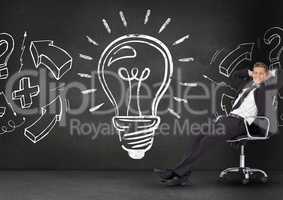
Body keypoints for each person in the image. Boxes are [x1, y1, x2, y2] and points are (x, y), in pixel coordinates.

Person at [154, 62, 283, 186]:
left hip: (240, 123)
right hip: (228, 119)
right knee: (199, 136)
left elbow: (280, 78)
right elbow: (235, 75)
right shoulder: (246, 86)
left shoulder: (265, 90)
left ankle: (178, 173)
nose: (258, 76)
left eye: (261, 74)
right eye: (255, 73)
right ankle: (181, 173)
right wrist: (249, 73)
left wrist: (268, 74)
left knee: (207, 141)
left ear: (266, 76)